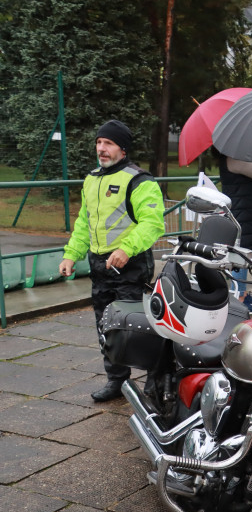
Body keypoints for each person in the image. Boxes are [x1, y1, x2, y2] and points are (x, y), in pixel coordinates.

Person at [58, 121, 165, 402]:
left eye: (108, 143)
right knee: (106, 325)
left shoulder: (140, 181)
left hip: (129, 265)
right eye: (99, 143)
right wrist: (72, 254)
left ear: (123, 148)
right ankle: (116, 380)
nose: (101, 149)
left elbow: (152, 224)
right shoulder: (92, 179)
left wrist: (127, 249)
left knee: (136, 328)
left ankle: (156, 381)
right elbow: (84, 222)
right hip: (100, 266)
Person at [211, 146, 252, 312]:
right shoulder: (234, 158)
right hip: (242, 211)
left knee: (243, 253)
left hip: (248, 211)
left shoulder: (237, 155)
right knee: (238, 254)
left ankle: (241, 293)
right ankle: (239, 297)